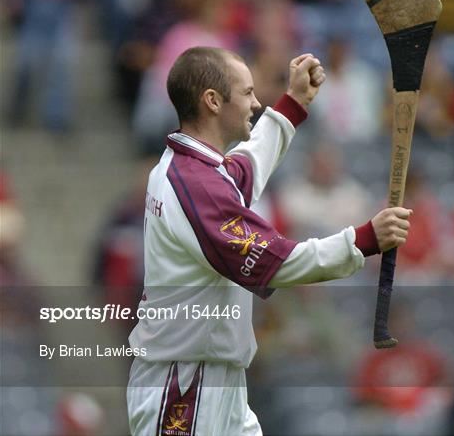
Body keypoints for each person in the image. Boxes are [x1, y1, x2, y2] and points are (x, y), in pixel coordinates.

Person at [126, 46, 413, 436]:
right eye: (246, 92)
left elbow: (249, 163)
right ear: (212, 101)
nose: (256, 102)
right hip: (185, 386)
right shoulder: (195, 183)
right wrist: (363, 240)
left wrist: (293, 104)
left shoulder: (198, 171)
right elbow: (277, 263)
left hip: (212, 378)